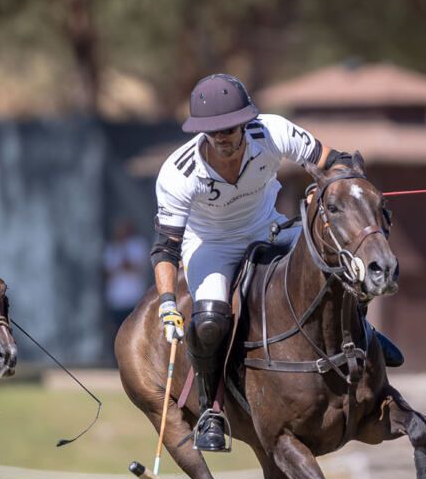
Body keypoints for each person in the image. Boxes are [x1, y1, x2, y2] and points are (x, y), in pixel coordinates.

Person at [150, 73, 402, 453]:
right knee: (209, 321)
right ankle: (211, 410)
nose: (222, 138)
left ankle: (366, 332)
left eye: (229, 129)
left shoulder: (273, 131)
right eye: (212, 131)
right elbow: (165, 248)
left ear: (245, 122)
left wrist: (333, 187)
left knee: (332, 258)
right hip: (212, 245)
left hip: (267, 226)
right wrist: (168, 303)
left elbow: (334, 161)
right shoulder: (179, 172)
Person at [103, 219, 149, 348]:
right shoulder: (111, 248)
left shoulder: (138, 245)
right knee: (117, 330)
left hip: (134, 297)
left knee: (134, 330)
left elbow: (137, 268)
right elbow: (107, 272)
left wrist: (123, 253)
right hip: (116, 299)